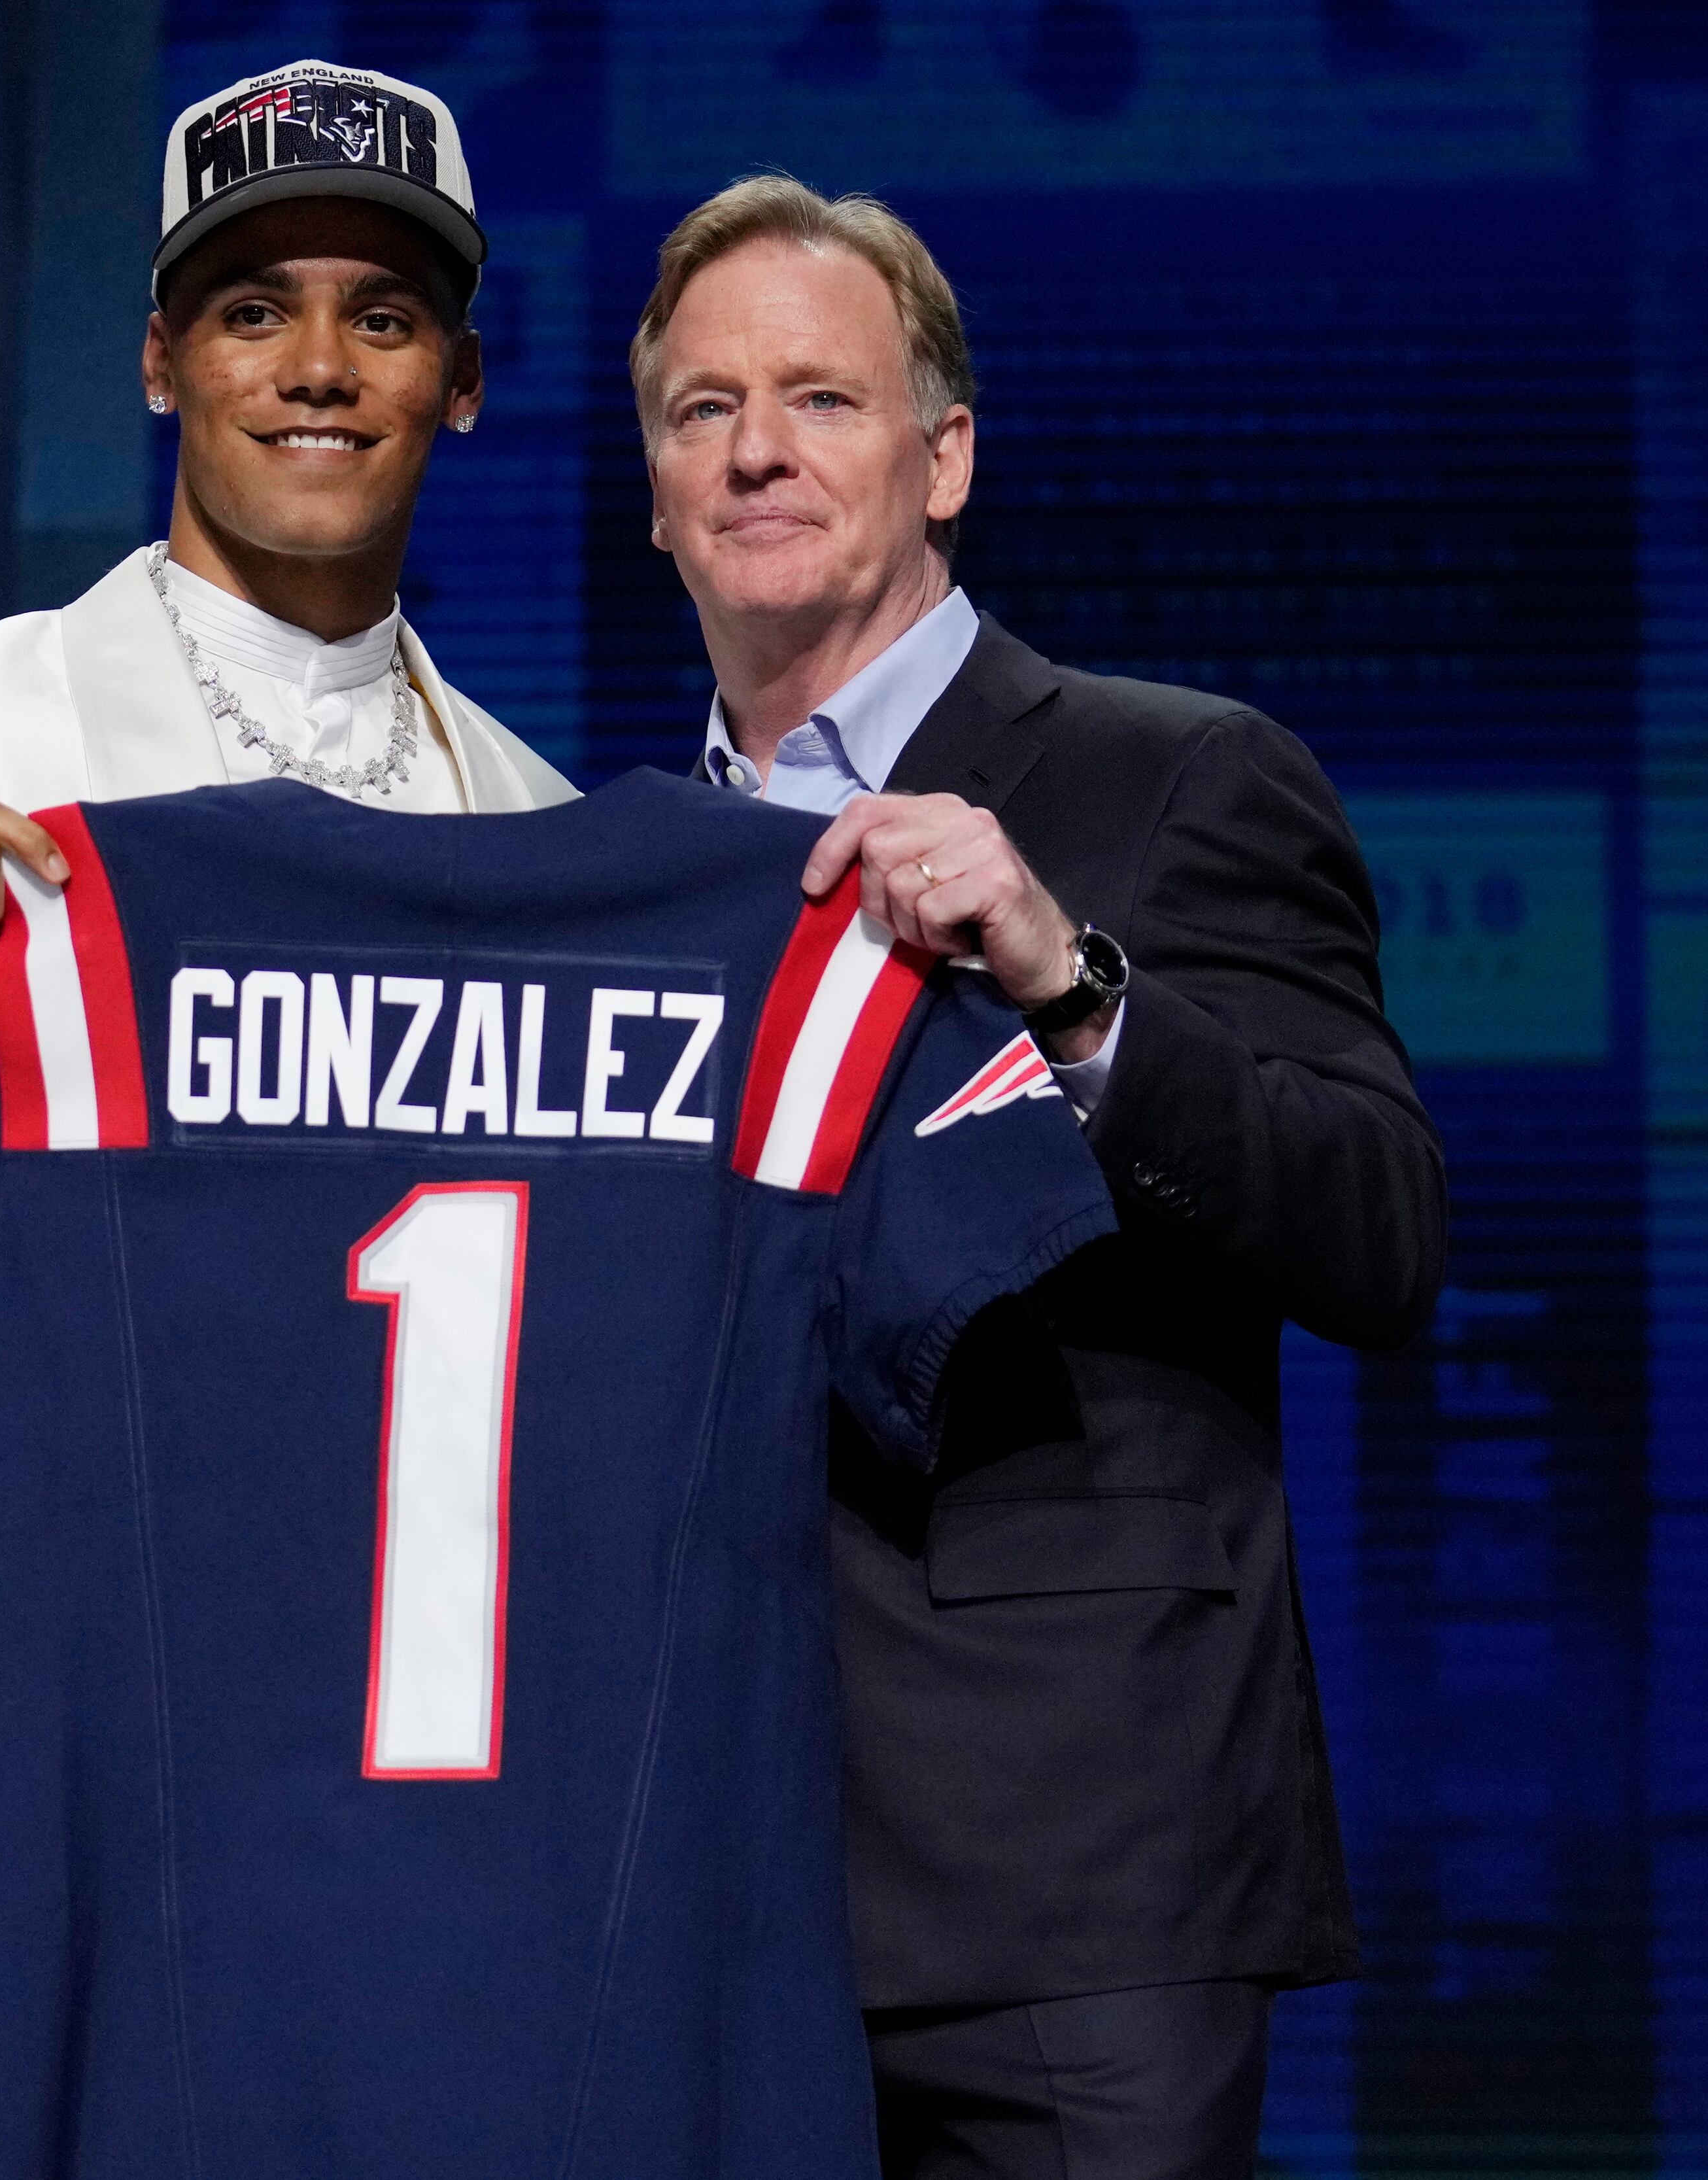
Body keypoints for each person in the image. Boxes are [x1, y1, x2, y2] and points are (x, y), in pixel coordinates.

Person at [0, 61, 572, 2180]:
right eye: (250, 307)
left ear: (465, 383)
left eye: (382, 315)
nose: (317, 366)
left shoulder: (529, 831)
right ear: (159, 357)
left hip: (372, 1798)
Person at [632, 175, 1447, 2179]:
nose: (754, 450)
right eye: (698, 409)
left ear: (946, 456)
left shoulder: (1175, 777)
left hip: (1082, 1891)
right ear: (652, 495)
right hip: (709, 1879)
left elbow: (1380, 1232)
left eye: (820, 399)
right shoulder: (629, 870)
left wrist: (1075, 989)